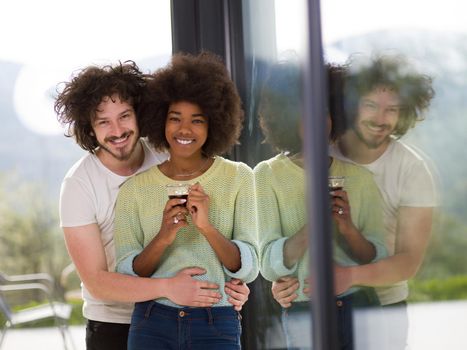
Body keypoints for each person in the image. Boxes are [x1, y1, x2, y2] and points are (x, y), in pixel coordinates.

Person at [54, 61, 250, 350]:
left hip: (186, 313)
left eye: (124, 116)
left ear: (140, 115)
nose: (117, 130)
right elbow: (96, 283)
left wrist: (231, 284)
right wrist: (169, 288)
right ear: (90, 129)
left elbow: (212, 239)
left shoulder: (165, 156)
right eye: (103, 122)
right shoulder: (78, 185)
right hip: (113, 324)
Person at [273, 54, 436, 349]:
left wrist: (349, 277)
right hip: (311, 306)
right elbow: (279, 231)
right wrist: (279, 283)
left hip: (383, 310)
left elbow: (408, 262)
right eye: (370, 105)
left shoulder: (413, 170)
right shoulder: (318, 152)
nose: (380, 119)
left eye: (393, 109)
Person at [113, 52, 259, 350]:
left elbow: (248, 268)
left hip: (215, 322)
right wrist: (164, 236)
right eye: (175, 118)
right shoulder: (134, 190)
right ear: (160, 121)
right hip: (152, 321)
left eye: (197, 120)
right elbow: (130, 273)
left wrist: (206, 226)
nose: (184, 129)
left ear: (214, 124)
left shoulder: (239, 178)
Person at [255, 60, 386, 350]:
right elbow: (268, 262)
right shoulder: (267, 175)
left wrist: (347, 228)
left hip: (361, 306)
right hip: (305, 312)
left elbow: (377, 257)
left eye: (324, 110)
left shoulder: (360, 179)